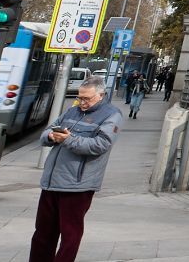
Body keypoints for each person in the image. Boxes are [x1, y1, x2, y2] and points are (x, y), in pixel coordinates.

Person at [31, 80, 121, 262]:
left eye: (87, 99)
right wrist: (51, 135)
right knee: (43, 232)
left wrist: (68, 139)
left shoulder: (111, 115)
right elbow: (46, 132)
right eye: (80, 98)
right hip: (51, 181)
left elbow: (100, 145)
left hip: (77, 185)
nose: (82, 102)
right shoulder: (72, 110)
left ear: (101, 95)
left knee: (70, 234)